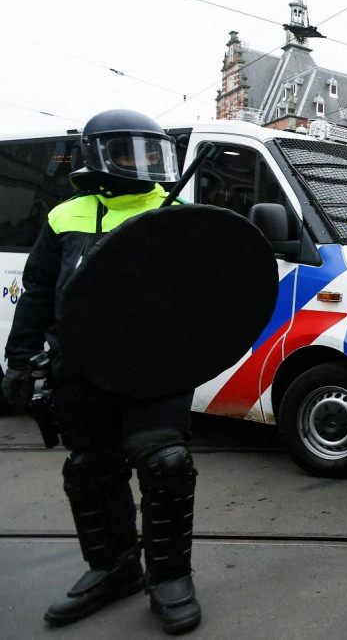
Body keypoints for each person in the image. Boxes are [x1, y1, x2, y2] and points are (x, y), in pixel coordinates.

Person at [1, 110, 202, 633]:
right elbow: (39, 292)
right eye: (127, 152)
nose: (142, 164)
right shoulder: (65, 216)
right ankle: (113, 569)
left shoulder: (177, 211)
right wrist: (19, 359)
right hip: (80, 367)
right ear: (95, 155)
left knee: (165, 463)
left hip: (154, 368)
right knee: (90, 468)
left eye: (152, 153)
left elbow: (211, 295)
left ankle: (169, 578)